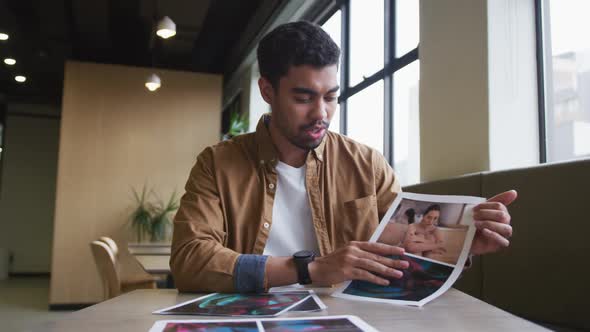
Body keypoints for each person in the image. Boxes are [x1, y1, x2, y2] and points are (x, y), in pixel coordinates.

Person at [170, 21, 516, 293]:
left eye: (331, 96)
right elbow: (189, 259)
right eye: (304, 98)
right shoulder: (216, 164)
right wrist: (310, 269)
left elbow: (402, 255)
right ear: (267, 91)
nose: (321, 113)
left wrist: (463, 245)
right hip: (248, 318)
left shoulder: (367, 164)